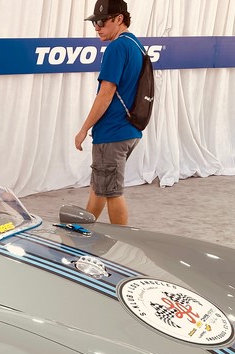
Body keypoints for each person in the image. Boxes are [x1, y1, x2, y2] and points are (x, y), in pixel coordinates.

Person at [74, 0, 144, 225]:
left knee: (112, 192)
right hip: (130, 130)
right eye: (95, 22)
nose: (97, 27)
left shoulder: (116, 48)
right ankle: (83, 232)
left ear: (119, 19)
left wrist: (84, 129)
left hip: (112, 132)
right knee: (100, 188)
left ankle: (122, 243)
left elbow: (105, 94)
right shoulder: (135, 45)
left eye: (102, 22)